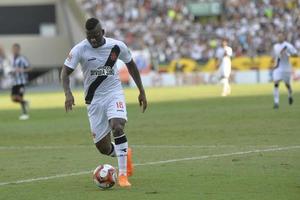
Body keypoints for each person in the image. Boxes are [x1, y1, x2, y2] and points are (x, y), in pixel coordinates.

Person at [61, 18, 147, 187]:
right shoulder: (79, 49)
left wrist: (141, 91)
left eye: (95, 35)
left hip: (114, 93)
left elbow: (131, 66)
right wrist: (68, 93)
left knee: (117, 126)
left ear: (103, 32)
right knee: (103, 147)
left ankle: (123, 176)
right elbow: (65, 73)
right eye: (89, 36)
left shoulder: (116, 46)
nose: (92, 39)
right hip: (94, 101)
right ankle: (123, 153)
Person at [272, 33, 298, 109]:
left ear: (284, 37)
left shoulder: (288, 46)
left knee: (287, 85)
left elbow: (296, 54)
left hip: (286, 68)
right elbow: (276, 56)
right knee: (276, 83)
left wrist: (288, 53)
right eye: (278, 36)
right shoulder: (275, 46)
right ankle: (276, 102)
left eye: (281, 36)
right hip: (278, 68)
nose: (279, 37)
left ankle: (290, 95)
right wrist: (275, 64)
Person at [10, 43, 31, 120]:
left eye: (16, 49)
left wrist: (22, 70)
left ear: (19, 49)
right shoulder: (11, 59)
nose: (14, 50)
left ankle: (25, 114)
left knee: (19, 96)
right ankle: (26, 102)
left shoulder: (22, 58)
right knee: (13, 98)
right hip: (14, 82)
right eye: (13, 49)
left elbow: (29, 68)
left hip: (21, 82)